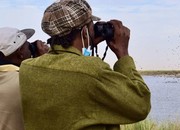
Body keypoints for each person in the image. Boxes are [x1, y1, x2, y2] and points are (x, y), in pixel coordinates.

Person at [19, 0, 151, 129]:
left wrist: (88, 43)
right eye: (92, 27)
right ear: (84, 32)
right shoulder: (91, 70)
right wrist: (123, 53)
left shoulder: (28, 68)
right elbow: (141, 105)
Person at [0, 27, 49, 130]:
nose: (31, 50)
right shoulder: (25, 81)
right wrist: (45, 60)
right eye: (28, 47)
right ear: (20, 53)